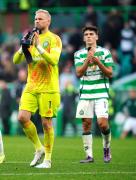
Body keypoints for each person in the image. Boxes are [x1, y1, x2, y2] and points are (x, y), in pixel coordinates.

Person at [13, 9, 62, 168]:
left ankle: (47, 160)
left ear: (48, 21)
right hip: (31, 86)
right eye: (35, 19)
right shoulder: (30, 38)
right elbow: (15, 61)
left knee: (46, 124)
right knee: (22, 118)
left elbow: (53, 61)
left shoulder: (54, 39)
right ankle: (38, 148)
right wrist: (23, 47)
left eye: (40, 19)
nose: (37, 21)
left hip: (48, 88)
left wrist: (39, 47)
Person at [74, 25, 114, 163]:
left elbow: (110, 73)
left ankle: (107, 148)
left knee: (102, 124)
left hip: (101, 93)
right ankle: (89, 156)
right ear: (84, 38)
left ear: (97, 37)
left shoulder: (105, 53)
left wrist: (98, 61)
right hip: (85, 94)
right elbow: (79, 73)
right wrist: (87, 59)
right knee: (86, 124)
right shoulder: (78, 54)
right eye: (86, 34)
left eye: (91, 34)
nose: (89, 36)